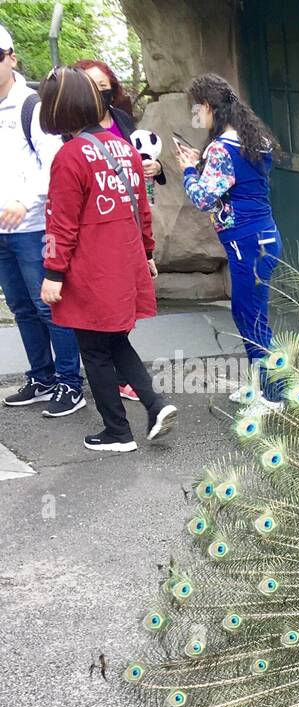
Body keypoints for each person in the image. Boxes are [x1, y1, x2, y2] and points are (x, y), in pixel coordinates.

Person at [38, 66, 176, 452]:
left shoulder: (70, 156)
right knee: (114, 342)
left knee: (94, 350)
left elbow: (60, 222)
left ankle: (117, 432)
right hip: (125, 262)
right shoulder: (124, 148)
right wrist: (147, 253)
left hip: (90, 269)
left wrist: (53, 272)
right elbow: (142, 210)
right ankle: (155, 403)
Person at [177, 73, 283, 406]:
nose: (198, 115)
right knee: (248, 314)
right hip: (263, 236)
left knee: (251, 317)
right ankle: (260, 384)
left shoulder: (223, 148)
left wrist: (189, 169)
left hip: (246, 243)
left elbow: (204, 199)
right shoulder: (254, 139)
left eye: (198, 108)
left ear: (208, 107)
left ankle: (274, 393)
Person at [0, 24, 84, 416]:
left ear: (11, 57)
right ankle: (41, 377)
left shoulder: (29, 105)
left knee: (48, 305)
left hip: (32, 226)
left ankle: (70, 382)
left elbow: (54, 164)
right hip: (1, 230)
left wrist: (25, 199)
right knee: (20, 307)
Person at [76, 57, 165, 403]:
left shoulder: (123, 121)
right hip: (94, 232)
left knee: (120, 315)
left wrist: (156, 168)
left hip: (125, 228)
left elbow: (139, 163)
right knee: (102, 320)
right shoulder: (71, 135)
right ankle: (118, 378)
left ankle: (121, 380)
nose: (100, 94)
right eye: (91, 87)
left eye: (104, 87)